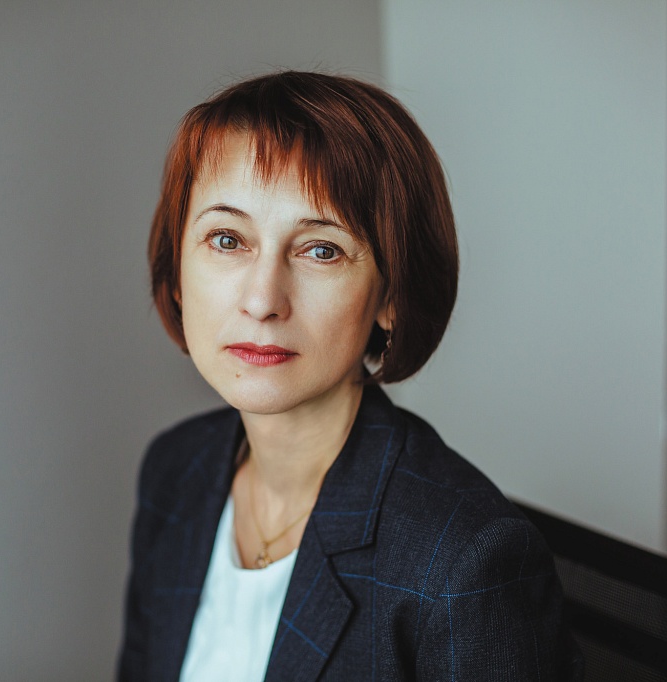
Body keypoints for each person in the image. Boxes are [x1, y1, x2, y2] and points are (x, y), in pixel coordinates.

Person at [119, 71, 581, 681]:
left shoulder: (465, 562)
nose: (262, 300)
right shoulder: (175, 469)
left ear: (390, 297)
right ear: (178, 273)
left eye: (321, 250)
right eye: (227, 239)